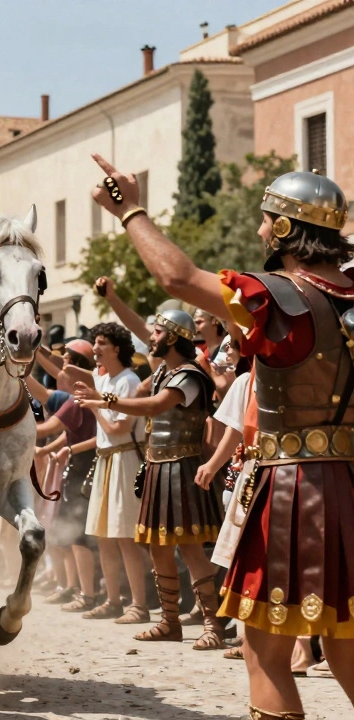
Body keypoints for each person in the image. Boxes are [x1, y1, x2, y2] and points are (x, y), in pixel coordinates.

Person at [90, 154, 354, 716]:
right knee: (348, 647)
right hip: (351, 485)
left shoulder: (274, 296)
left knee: (265, 655)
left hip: (294, 491)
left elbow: (178, 279)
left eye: (265, 220)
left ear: (283, 228)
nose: (259, 231)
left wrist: (130, 210)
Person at [78, 309, 226, 649]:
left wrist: (104, 400)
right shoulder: (163, 372)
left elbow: (152, 406)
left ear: (173, 337)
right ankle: (169, 622)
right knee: (158, 548)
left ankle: (213, 625)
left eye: (158, 332)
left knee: (190, 548)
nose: (152, 338)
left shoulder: (189, 375)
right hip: (158, 466)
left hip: (182, 468)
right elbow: (143, 396)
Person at [63, 322, 153, 624]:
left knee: (125, 537)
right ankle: (113, 600)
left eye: (101, 342)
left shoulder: (128, 380)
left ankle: (138, 605)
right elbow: (84, 377)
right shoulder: (105, 379)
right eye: (95, 342)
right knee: (103, 536)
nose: (96, 348)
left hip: (124, 459)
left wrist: (95, 406)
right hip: (105, 460)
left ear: (117, 348)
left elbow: (118, 428)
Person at [28, 339, 98, 609]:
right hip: (78, 467)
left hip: (82, 469)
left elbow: (49, 429)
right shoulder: (77, 397)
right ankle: (73, 588)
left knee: (77, 537)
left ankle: (86, 593)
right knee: (67, 534)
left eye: (67, 361)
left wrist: (8, 428)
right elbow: (65, 432)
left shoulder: (76, 399)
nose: (60, 370)